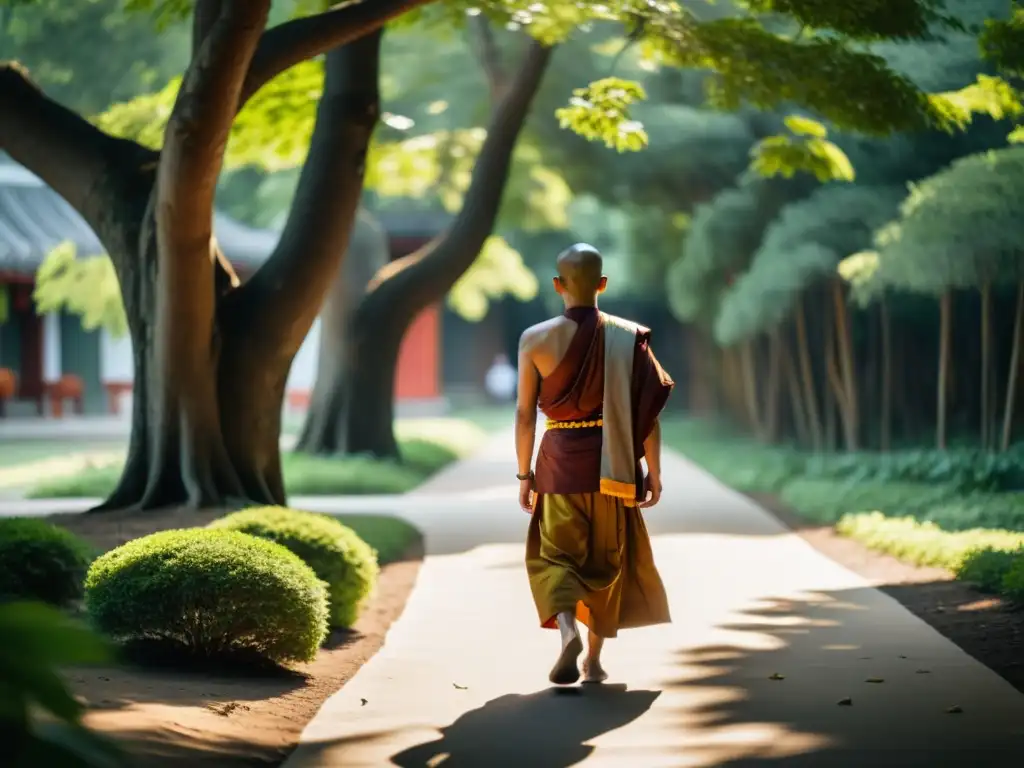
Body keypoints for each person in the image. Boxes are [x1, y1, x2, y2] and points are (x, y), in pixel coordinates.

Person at [514, 243, 674, 686]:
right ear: (602, 283)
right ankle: (595, 662)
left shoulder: (535, 339)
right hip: (615, 467)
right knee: (608, 562)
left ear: (557, 285)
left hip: (559, 466)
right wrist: (655, 474)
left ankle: (567, 630)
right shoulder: (628, 338)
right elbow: (648, 416)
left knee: (557, 557)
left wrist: (525, 475)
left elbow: (526, 415)